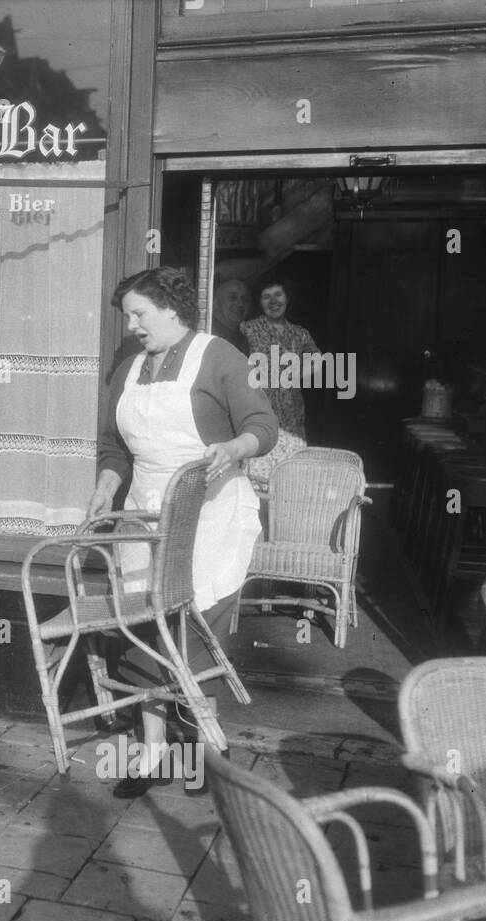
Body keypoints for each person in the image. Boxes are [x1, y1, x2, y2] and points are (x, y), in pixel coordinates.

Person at [89, 267, 278, 797]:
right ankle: (152, 753)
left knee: (200, 631)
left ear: (172, 310)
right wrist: (107, 485)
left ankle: (200, 751)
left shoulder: (220, 357)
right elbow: (115, 447)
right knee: (145, 631)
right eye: (128, 316)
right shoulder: (127, 368)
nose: (131, 326)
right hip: (144, 514)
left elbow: (263, 426)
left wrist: (232, 449)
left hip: (211, 513)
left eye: (139, 314)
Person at [241, 277, 318, 492]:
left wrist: (295, 375)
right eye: (266, 296)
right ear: (259, 302)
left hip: (292, 418)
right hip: (261, 413)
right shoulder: (247, 329)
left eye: (278, 294)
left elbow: (319, 360)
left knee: (291, 483)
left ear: (287, 298)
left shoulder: (299, 333)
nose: (273, 301)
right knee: (258, 484)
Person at [210, 277, 251, 356]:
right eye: (232, 298)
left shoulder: (242, 340)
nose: (240, 304)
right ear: (215, 303)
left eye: (245, 299)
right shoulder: (207, 332)